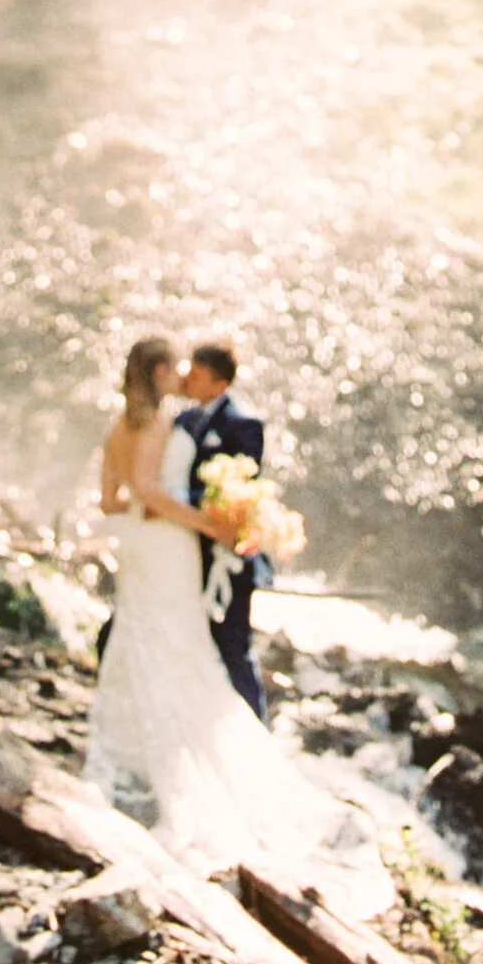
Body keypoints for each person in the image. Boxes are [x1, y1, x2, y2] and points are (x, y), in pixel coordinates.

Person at [84, 335, 372, 895]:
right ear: (161, 372)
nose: (183, 376)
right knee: (174, 642)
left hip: (150, 545)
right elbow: (147, 486)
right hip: (169, 545)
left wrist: (150, 520)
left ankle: (135, 745)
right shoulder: (158, 423)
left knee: (148, 639)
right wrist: (198, 522)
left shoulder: (122, 425)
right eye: (177, 367)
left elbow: (112, 501)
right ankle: (183, 756)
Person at [177, 340, 269, 716]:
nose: (187, 380)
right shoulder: (181, 421)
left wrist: (176, 499)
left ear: (218, 384)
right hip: (183, 549)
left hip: (227, 553)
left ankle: (255, 728)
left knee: (233, 647)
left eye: (195, 375)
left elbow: (242, 490)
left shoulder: (244, 424)